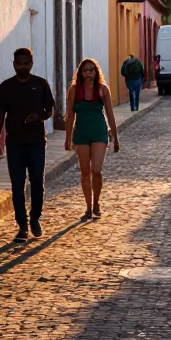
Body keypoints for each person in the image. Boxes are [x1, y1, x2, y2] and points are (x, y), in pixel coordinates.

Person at [0, 47, 55, 242]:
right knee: (17, 184)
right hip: (15, 142)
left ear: (31, 64)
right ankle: (22, 225)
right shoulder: (6, 87)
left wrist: (40, 116)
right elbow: (0, 115)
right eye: (18, 64)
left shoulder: (41, 84)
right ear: (14, 64)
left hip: (36, 141)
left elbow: (50, 110)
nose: (22, 67)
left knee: (37, 181)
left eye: (25, 63)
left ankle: (35, 217)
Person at [65, 58, 119, 219]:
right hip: (81, 133)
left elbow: (110, 114)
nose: (88, 73)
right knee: (85, 171)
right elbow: (69, 116)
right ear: (80, 73)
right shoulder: (74, 91)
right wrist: (68, 138)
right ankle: (88, 207)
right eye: (85, 70)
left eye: (91, 70)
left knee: (96, 170)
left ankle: (96, 202)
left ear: (96, 72)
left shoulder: (103, 90)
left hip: (99, 133)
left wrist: (115, 137)